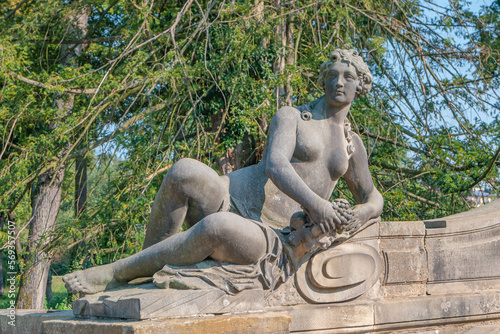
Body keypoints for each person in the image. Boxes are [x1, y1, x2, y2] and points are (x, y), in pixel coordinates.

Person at [63, 49, 383, 295]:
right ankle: (142, 270)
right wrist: (319, 205)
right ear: (323, 78)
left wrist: (363, 211)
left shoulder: (351, 145)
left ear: (361, 86)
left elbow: (372, 196)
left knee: (218, 226)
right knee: (183, 170)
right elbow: (275, 164)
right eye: (334, 75)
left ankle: (116, 271)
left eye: (349, 77)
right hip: (228, 194)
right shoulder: (294, 117)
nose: (339, 82)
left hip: (271, 232)